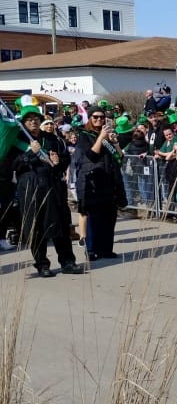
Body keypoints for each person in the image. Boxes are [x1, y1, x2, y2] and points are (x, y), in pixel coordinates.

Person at [12, 106, 81, 276]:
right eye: (29, 119)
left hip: (53, 186)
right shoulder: (16, 140)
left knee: (61, 225)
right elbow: (13, 165)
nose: (33, 121)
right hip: (30, 186)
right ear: (23, 122)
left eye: (36, 118)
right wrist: (31, 154)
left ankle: (67, 262)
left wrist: (59, 162)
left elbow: (65, 159)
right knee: (36, 227)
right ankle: (42, 264)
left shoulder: (53, 139)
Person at [75, 106, 127, 261]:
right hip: (93, 181)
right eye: (95, 117)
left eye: (102, 117)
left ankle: (106, 249)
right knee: (94, 219)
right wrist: (101, 138)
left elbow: (120, 158)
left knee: (109, 218)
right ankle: (91, 250)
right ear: (90, 118)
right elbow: (91, 155)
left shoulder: (108, 136)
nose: (99, 120)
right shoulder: (84, 135)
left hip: (110, 181)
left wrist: (115, 142)